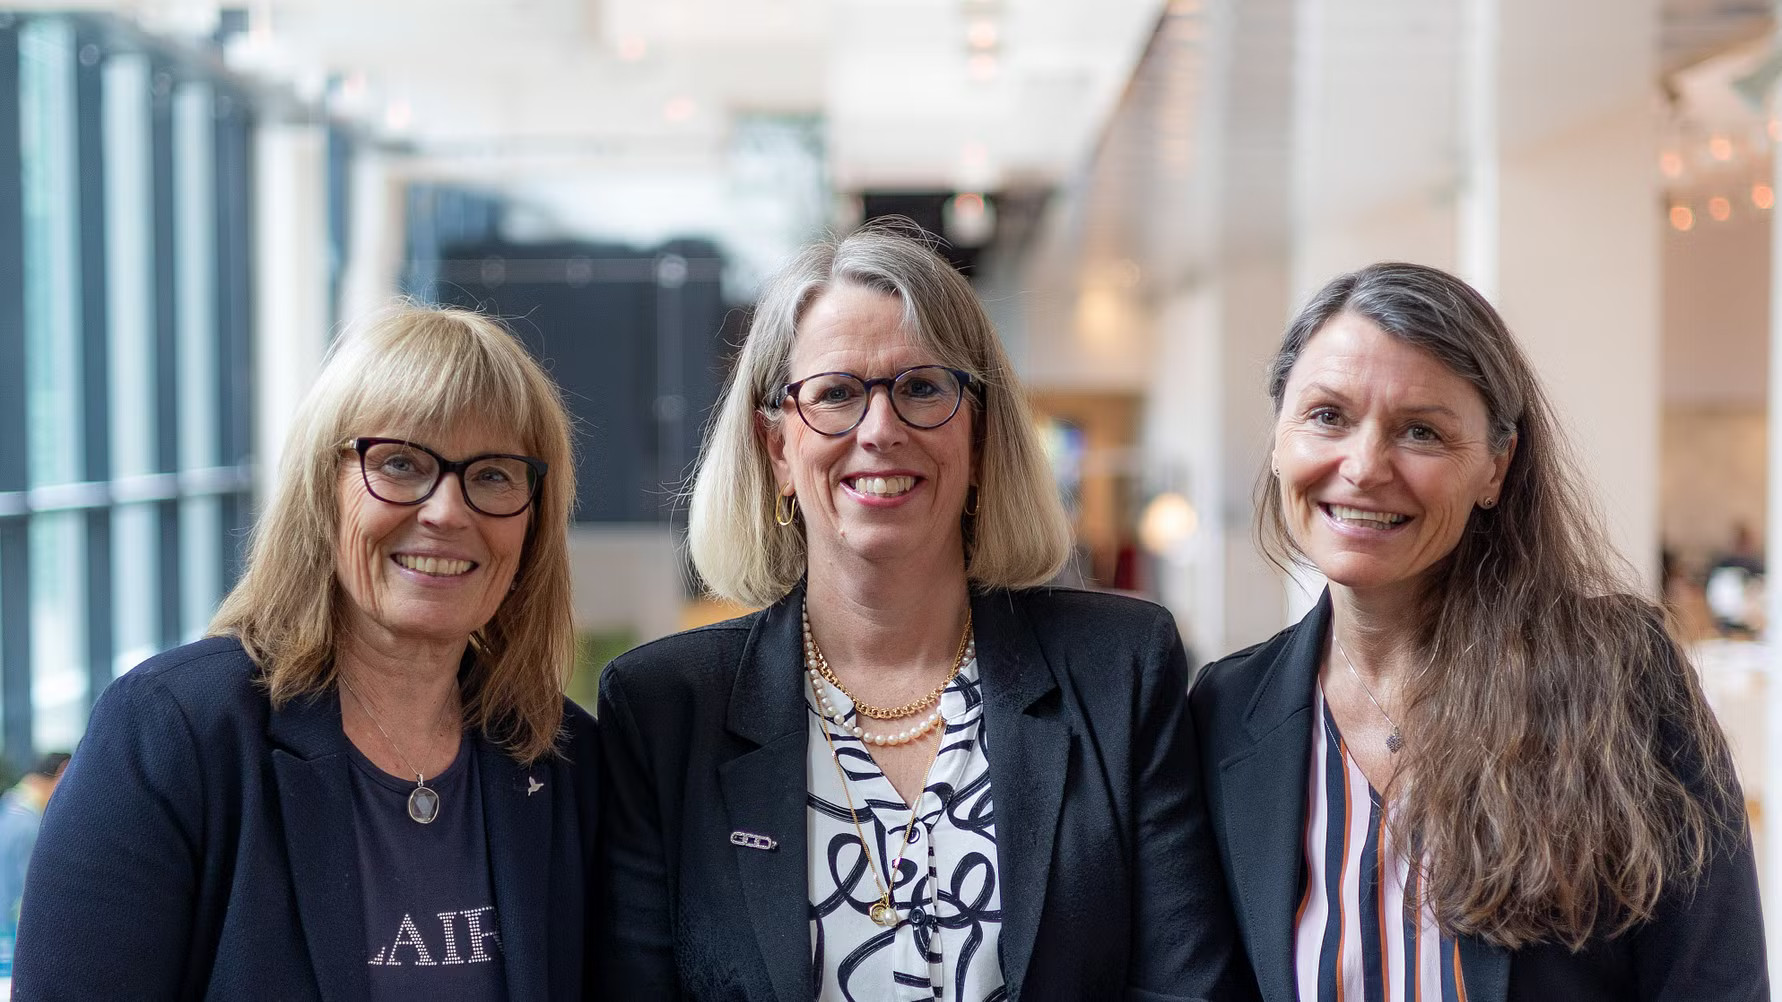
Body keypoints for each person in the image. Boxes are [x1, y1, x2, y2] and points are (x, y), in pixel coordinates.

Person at [597, 222, 1254, 1001]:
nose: (880, 430)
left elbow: (1185, 987)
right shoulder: (665, 709)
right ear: (776, 449)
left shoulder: (1119, 668)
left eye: (922, 388)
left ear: (978, 437)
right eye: (836, 394)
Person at [1190, 262, 1766, 1001]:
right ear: (1278, 439)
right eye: (1327, 415)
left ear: (1497, 466)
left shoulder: (1620, 679)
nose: (1363, 467)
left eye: (1420, 431)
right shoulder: (1227, 709)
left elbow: (1715, 982)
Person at [14, 306, 596, 1000]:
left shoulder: (562, 760)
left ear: (534, 519)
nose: (447, 512)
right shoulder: (174, 732)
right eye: (401, 463)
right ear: (322, 491)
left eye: (495, 475)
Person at [0, 752, 69, 973]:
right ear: (63, 772)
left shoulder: (9, 808)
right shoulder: (29, 824)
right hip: (10, 947)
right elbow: (29, 899)